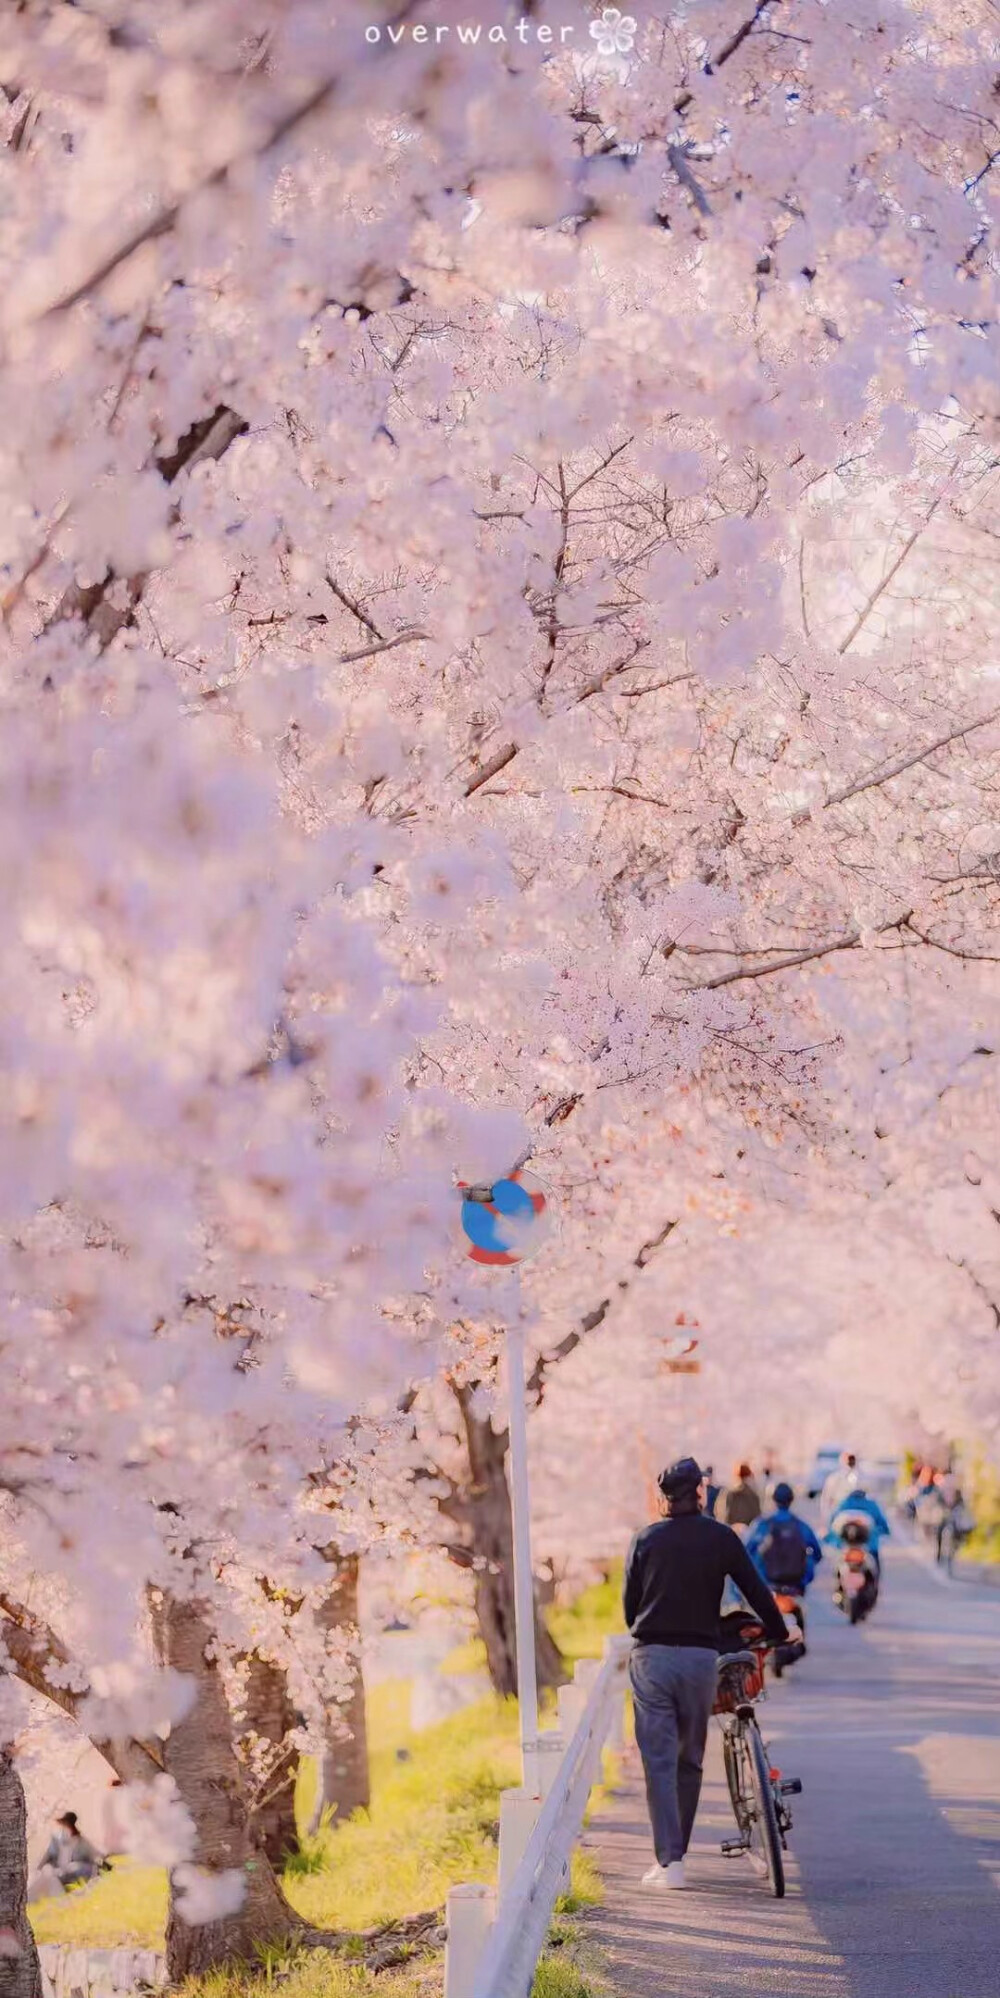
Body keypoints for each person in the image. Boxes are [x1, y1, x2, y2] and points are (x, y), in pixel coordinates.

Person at [623, 1455, 789, 1892]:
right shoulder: (720, 1539)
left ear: (662, 1498)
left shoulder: (645, 1540)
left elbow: (629, 1610)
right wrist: (779, 1631)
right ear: (700, 1492)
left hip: (653, 1658)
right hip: (700, 1661)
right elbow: (756, 1590)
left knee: (657, 1761)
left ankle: (670, 1863)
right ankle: (676, 1855)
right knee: (689, 1760)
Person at [745, 1483, 823, 1594]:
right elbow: (817, 1555)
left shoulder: (763, 1525)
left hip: (768, 1584)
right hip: (797, 1584)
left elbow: (748, 1550)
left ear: (773, 1499)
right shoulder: (801, 1526)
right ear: (791, 1500)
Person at [824, 1487, 891, 1569]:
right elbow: (883, 1525)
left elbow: (832, 1525)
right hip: (868, 1547)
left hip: (844, 1546)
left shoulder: (843, 1504)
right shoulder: (872, 1505)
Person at [37, 1812, 104, 1889]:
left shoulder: (81, 1842)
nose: (64, 1827)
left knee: (74, 1867)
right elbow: (47, 1856)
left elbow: (94, 1855)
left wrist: (101, 1862)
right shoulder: (56, 1840)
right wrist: (38, 1870)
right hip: (59, 1873)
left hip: (75, 1873)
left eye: (66, 1824)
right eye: (63, 1824)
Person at [820, 1450, 860, 1526]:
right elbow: (826, 1500)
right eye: (848, 1460)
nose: (850, 1462)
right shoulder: (834, 1479)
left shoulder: (860, 1478)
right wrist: (825, 1521)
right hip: (839, 1516)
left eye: (852, 1460)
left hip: (858, 1517)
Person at [722, 1463, 762, 1531]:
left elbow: (725, 1515)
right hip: (747, 1533)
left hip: (731, 1532)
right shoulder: (753, 1495)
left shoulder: (729, 1493)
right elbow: (757, 1517)